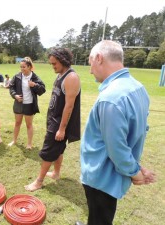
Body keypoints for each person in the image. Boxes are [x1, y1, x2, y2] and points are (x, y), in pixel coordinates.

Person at [76, 40, 156, 225]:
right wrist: (136, 167)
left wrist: (135, 173)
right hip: (112, 175)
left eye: (90, 64)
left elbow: (117, 148)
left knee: (100, 219)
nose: (90, 70)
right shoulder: (138, 87)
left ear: (99, 58)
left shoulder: (110, 98)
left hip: (101, 177)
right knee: (98, 215)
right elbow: (137, 133)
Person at [25, 48, 81, 191]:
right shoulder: (61, 75)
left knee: (48, 151)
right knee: (59, 149)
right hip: (54, 119)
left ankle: (39, 181)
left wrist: (61, 128)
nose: (53, 66)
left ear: (63, 61)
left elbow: (69, 106)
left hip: (60, 122)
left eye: (54, 63)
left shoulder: (71, 78)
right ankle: (56, 173)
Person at [8, 57, 46, 149]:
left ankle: (29, 144)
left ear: (29, 67)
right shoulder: (17, 76)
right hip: (18, 104)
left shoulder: (34, 77)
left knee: (29, 125)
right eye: (20, 67)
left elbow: (42, 89)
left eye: (24, 67)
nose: (22, 69)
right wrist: (15, 96)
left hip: (29, 104)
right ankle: (14, 140)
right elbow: (11, 87)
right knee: (17, 123)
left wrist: (35, 85)